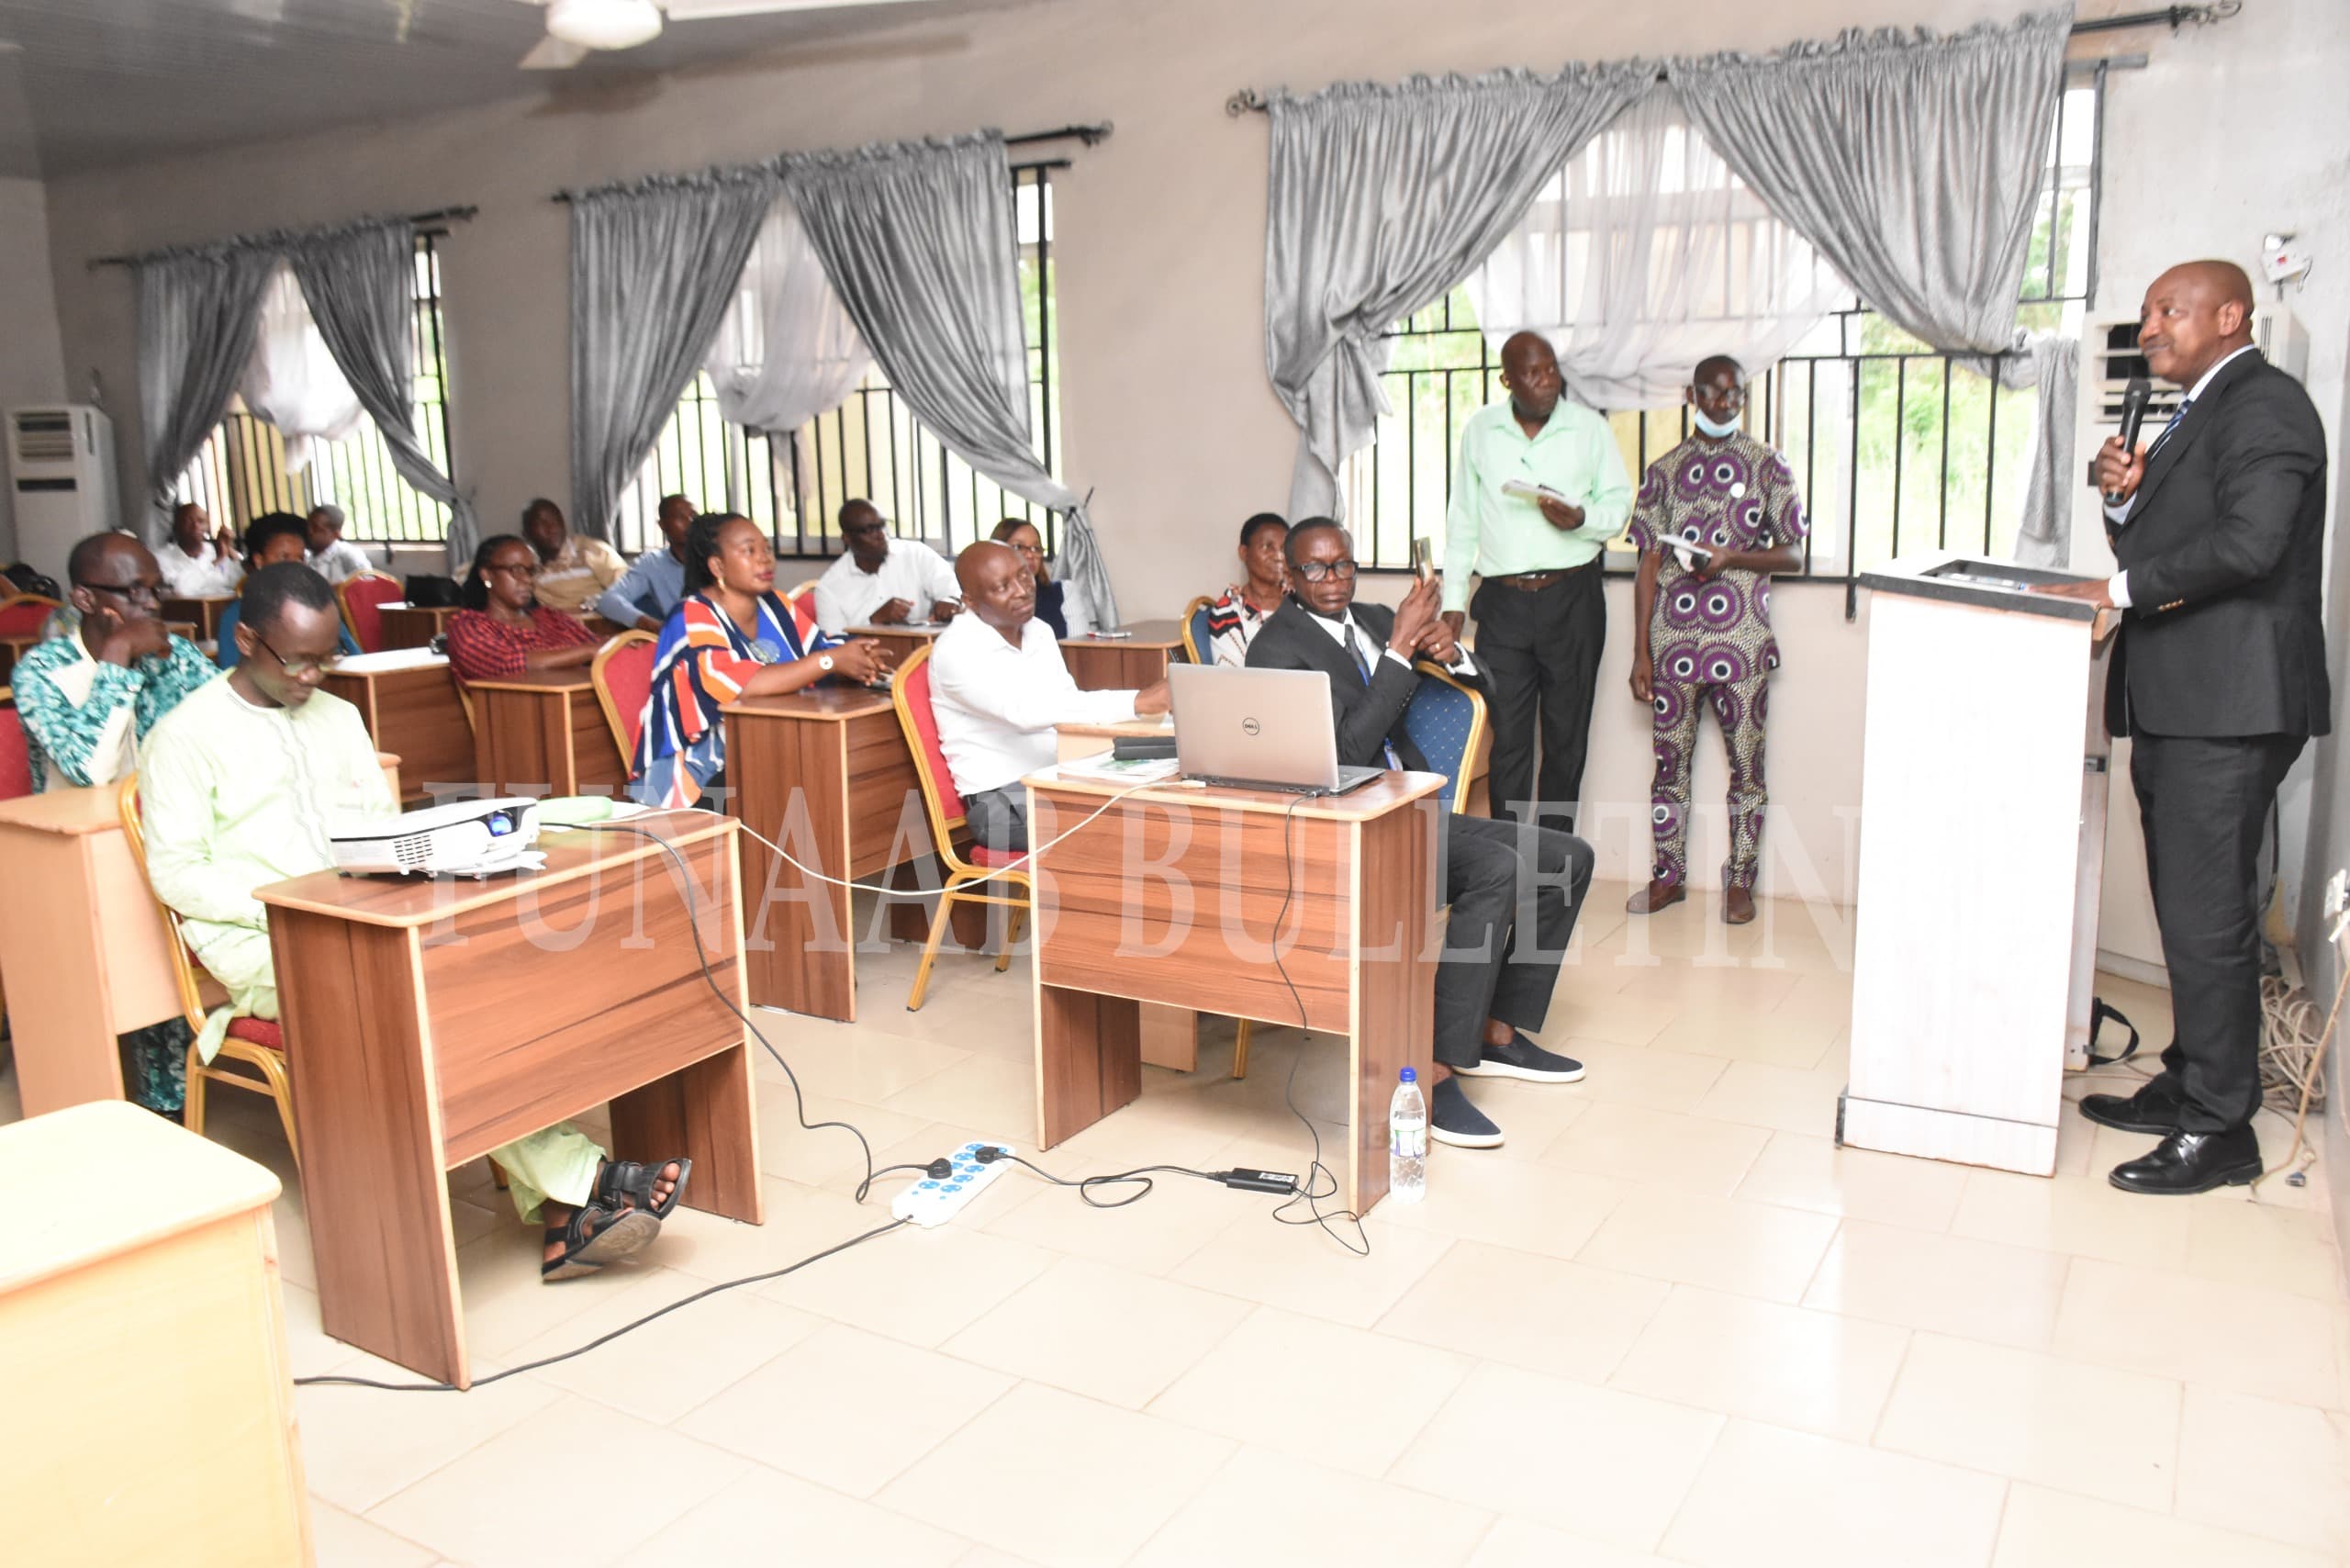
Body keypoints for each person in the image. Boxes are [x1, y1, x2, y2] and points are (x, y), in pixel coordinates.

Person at [139, 562, 690, 1278]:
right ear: (245, 639)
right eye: (295, 660)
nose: (312, 676)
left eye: (325, 657)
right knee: (423, 1003)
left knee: (482, 978)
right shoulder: (184, 736)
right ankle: (582, 1184)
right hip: (261, 940)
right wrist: (292, 900)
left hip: (367, 917)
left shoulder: (339, 716)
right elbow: (177, 872)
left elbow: (376, 832)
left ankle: (565, 1217)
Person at [2034, 260, 2331, 1196]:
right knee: (2189, 914)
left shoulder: (2266, 405)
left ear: (2230, 314)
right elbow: (2161, 545)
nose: (2148, 327)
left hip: (2227, 704)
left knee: (2209, 919)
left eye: (2168, 310)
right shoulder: (2197, 411)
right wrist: (2122, 498)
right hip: (2182, 702)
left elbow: (2248, 546)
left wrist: (2114, 588)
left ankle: (2220, 1127)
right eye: (2146, 311)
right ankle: (2190, 1079)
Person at [1248, 519, 1595, 1148]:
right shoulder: (1276, 649)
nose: (1335, 579)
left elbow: (1489, 688)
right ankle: (1432, 1067)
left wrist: (1450, 651)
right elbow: (1348, 751)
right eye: (1318, 569)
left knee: (1567, 858)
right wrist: (1401, 651)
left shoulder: (1376, 618)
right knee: (1496, 870)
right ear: (1288, 577)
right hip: (1352, 828)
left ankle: (1495, 1031)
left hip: (1413, 813)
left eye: (1345, 564)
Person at [1624, 356, 1807, 926]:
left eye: (1737, 393)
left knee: (1747, 767)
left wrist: (1733, 557)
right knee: (1668, 766)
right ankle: (1669, 877)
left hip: (1742, 643)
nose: (1728, 402)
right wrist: (1641, 651)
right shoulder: (1662, 471)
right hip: (1674, 645)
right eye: (1716, 392)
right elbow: (1647, 565)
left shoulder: (1768, 465)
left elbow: (1795, 554)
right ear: (1692, 394)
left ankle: (1740, 883)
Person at [1441, 331, 1634, 834]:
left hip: (1573, 599)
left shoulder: (1588, 429)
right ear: (1508, 379)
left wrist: (1582, 518)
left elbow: (1618, 504)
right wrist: (1454, 601)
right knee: (1507, 742)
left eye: (1551, 369)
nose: (1547, 380)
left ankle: (1553, 866)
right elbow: (1461, 519)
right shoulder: (1480, 431)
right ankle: (1506, 864)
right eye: (1534, 372)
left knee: (1566, 740)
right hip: (1503, 606)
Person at [629, 512, 891, 809]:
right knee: (810, 783)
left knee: (841, 770)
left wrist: (856, 660)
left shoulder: (776, 605)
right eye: (748, 551)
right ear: (717, 566)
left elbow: (819, 650)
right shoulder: (690, 615)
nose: (764, 559)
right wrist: (831, 660)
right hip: (698, 775)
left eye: (766, 549)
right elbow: (739, 686)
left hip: (765, 748)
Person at [930, 540, 1167, 851]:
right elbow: (1026, 713)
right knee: (1128, 823)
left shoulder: (1038, 631)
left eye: (1024, 576)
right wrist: (1137, 702)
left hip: (1057, 775)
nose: (1021, 590)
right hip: (1001, 802)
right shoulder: (956, 651)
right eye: (1002, 586)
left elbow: (1068, 704)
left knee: (1160, 796)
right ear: (970, 601)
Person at [12, 532, 218, 795]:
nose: (153, 603)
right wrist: (118, 653)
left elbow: (231, 720)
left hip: (167, 816)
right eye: (135, 590)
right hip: (79, 825)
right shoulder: (40, 672)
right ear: (85, 599)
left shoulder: (174, 653)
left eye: (156, 589)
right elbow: (90, 772)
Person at [445, 534, 602, 684]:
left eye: (531, 571)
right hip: (516, 710)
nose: (527, 579)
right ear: (487, 575)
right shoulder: (467, 628)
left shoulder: (550, 618)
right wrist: (587, 651)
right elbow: (510, 664)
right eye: (516, 570)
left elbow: (600, 647)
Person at [215, 514, 361, 669]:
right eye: (284, 557)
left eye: (300, 558)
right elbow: (231, 677)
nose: (295, 566)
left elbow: (356, 660)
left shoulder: (321, 608)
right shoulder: (237, 616)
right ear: (259, 561)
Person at [814, 500, 963, 634]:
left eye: (883, 525)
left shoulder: (916, 554)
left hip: (924, 651)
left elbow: (952, 591)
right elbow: (833, 645)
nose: (882, 535)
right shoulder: (829, 588)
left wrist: (951, 601)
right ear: (847, 538)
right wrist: (874, 621)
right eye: (870, 530)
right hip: (867, 660)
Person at [598, 494, 698, 633]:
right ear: (663, 525)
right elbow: (607, 601)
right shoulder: (653, 563)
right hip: (681, 638)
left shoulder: (715, 557)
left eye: (694, 515)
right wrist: (652, 625)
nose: (690, 521)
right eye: (680, 517)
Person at [1202, 511, 1289, 666]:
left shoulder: (1300, 602)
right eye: (1267, 547)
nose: (1279, 556)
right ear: (1244, 552)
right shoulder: (1229, 613)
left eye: (1283, 548)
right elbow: (1235, 677)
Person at [520, 498, 628, 621]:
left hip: (601, 628)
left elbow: (627, 591)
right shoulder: (528, 568)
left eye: (556, 520)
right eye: (542, 523)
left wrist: (589, 606)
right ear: (526, 534)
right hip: (555, 633)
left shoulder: (593, 551)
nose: (552, 528)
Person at [990, 517, 1091, 638]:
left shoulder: (1063, 591)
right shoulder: (985, 599)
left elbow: (1078, 649)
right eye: (1018, 547)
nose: (1030, 555)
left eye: (1036, 548)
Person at [153, 502, 243, 597]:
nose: (196, 526)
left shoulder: (216, 550)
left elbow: (240, 582)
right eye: (188, 521)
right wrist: (216, 561)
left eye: (201, 521)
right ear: (176, 526)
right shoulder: (161, 558)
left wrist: (231, 551)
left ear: (208, 526)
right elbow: (181, 591)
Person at [303, 505, 375, 585]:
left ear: (335, 533)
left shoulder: (349, 555)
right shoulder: (305, 555)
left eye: (316, 528)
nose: (310, 531)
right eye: (308, 526)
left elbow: (368, 584)